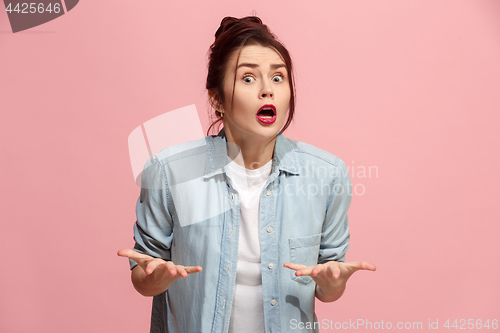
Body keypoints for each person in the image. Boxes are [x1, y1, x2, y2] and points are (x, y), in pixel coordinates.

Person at [118, 16, 376, 333]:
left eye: (278, 78)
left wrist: (333, 284)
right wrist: (153, 277)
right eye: (249, 79)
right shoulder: (169, 171)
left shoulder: (325, 174)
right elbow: (144, 278)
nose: (268, 90)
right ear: (216, 99)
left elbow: (328, 286)